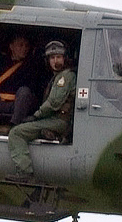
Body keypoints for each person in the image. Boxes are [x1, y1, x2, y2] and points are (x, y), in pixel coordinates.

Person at [7, 40, 76, 182]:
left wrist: (35, 116)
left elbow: (54, 103)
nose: (55, 61)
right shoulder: (58, 77)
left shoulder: (65, 76)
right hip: (55, 121)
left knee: (16, 133)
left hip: (58, 121)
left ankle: (25, 172)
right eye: (52, 58)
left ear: (65, 58)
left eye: (58, 57)